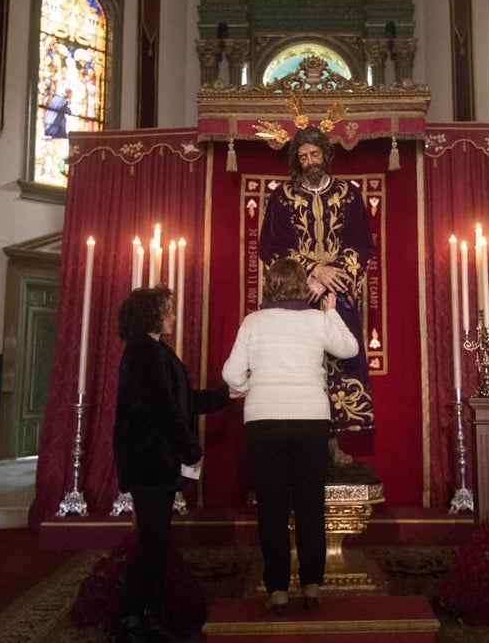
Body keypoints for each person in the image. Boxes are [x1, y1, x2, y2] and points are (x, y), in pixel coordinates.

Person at [221, 258, 359, 615]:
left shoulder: (253, 322)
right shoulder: (315, 321)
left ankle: (278, 590)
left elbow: (231, 374)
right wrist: (330, 313)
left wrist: (251, 385)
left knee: (272, 508)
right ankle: (312, 585)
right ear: (301, 285)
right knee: (310, 505)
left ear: (270, 285)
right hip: (310, 419)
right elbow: (349, 349)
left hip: (264, 420)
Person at [110, 286, 239, 643]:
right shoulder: (144, 353)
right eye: (167, 310)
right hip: (149, 463)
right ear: (150, 314)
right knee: (151, 542)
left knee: (155, 539)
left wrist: (225, 395)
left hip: (152, 462)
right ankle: (133, 621)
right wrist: (189, 449)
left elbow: (183, 402)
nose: (173, 316)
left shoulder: (155, 351)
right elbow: (162, 409)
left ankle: (146, 613)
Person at [258, 125, 375, 464]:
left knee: (339, 361)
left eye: (314, 154)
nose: (310, 161)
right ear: (296, 161)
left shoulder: (349, 194)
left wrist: (331, 277)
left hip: (337, 292)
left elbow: (361, 244)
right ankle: (302, 443)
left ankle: (334, 443)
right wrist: (312, 271)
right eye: (303, 156)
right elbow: (271, 246)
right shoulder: (281, 197)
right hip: (298, 293)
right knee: (300, 365)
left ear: (325, 154)